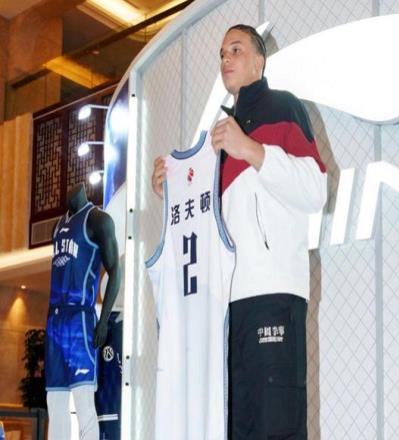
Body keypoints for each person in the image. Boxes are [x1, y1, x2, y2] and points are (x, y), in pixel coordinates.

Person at [152, 24, 326, 439]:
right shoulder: (218, 136)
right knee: (234, 426)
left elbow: (315, 189)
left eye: (236, 49)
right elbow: (207, 219)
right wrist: (170, 190)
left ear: (259, 61)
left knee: (275, 425)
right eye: (222, 53)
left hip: (273, 293)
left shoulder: (285, 108)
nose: (226, 59)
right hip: (225, 308)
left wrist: (250, 148)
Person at [45, 183, 121, 440]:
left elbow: (115, 271)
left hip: (80, 318)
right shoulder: (57, 226)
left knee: (84, 400)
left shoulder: (98, 220)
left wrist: (104, 320)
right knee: (55, 401)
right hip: (54, 320)